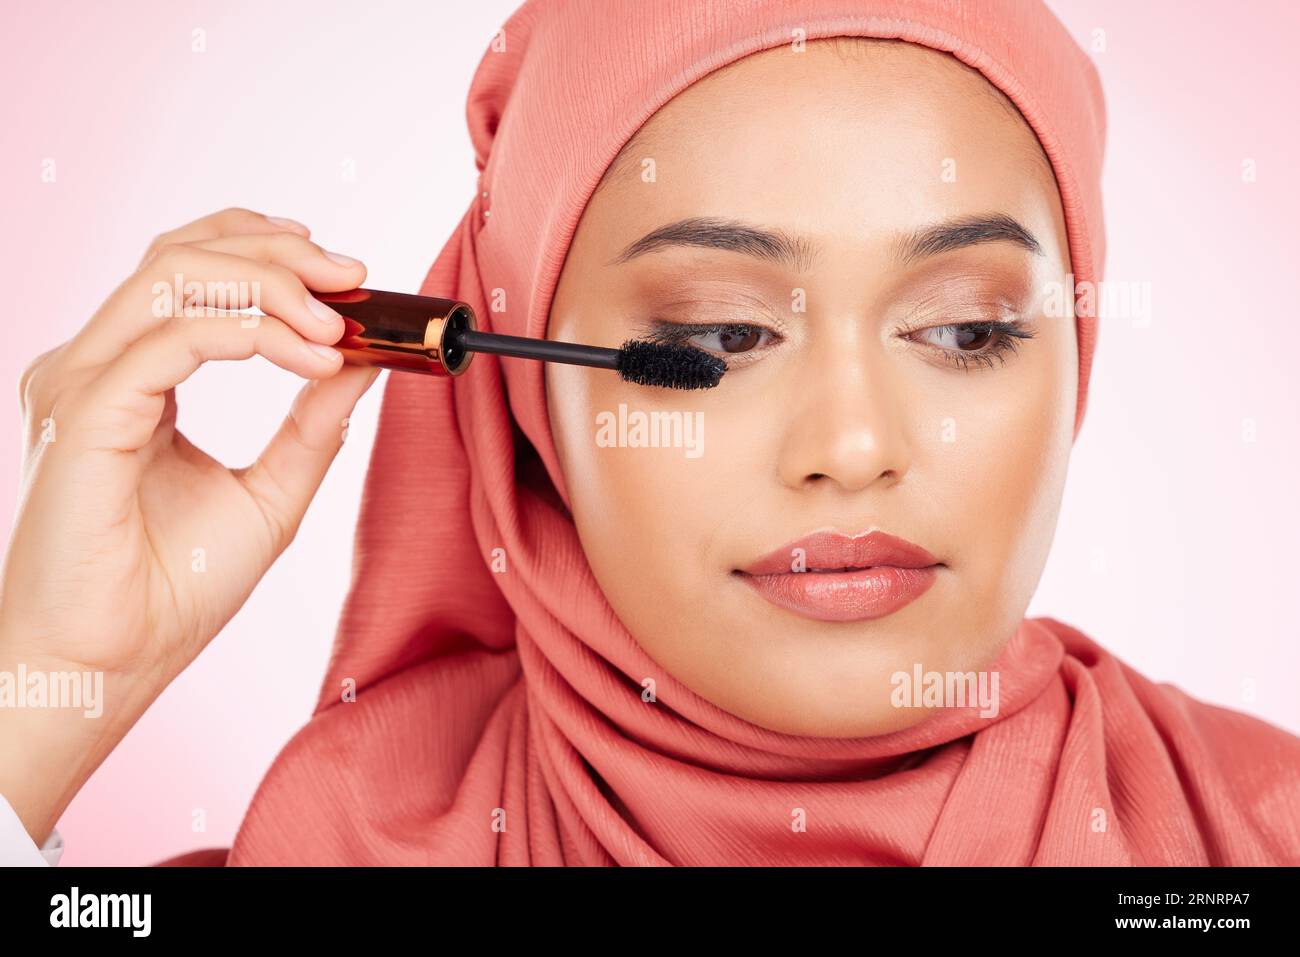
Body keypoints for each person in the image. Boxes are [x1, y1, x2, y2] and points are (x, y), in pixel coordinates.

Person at [3, 0, 1298, 866]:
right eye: (724, 337)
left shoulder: (1257, 836)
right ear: (526, 391)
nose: (851, 447)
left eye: (963, 331)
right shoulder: (343, 843)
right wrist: (49, 686)